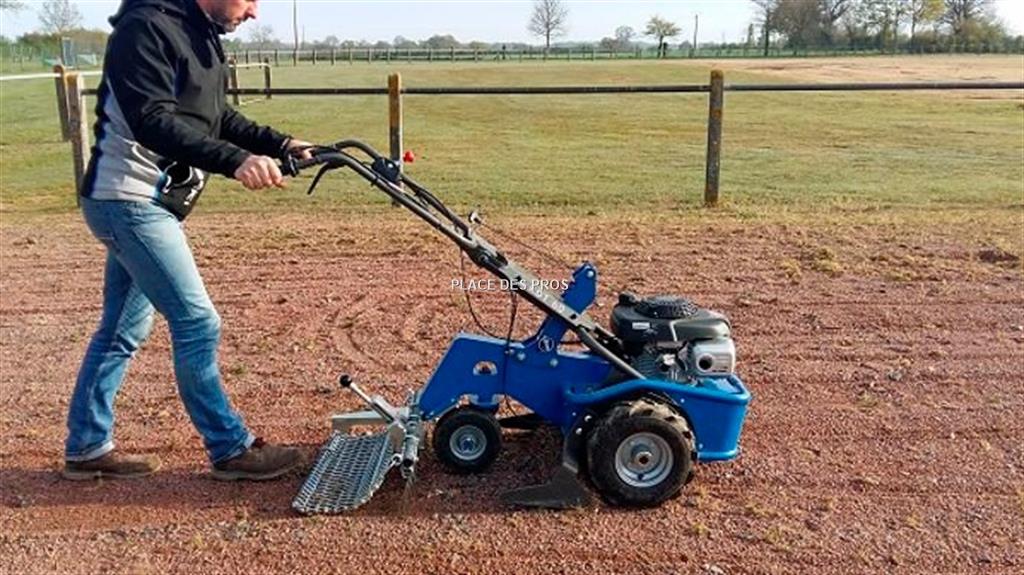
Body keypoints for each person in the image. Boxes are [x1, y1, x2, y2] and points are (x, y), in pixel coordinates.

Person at [63, 0, 309, 481]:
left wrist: (281, 144)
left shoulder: (200, 33)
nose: (254, 13)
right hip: (128, 199)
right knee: (197, 321)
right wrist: (236, 161)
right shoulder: (146, 27)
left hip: (145, 204)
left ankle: (87, 446)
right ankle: (229, 447)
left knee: (121, 329)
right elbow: (152, 120)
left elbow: (215, 117)